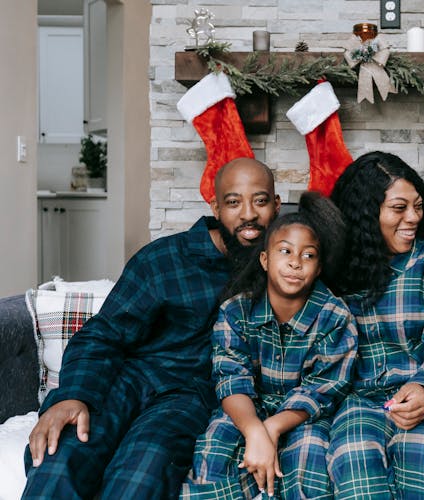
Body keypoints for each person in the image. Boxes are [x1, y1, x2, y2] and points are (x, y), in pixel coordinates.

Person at [23, 157, 281, 499]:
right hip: (129, 379)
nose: (248, 214)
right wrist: (73, 395)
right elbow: (104, 334)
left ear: (276, 206)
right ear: (215, 207)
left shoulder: (283, 267)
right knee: (61, 454)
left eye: (260, 201)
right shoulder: (164, 260)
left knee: (141, 472)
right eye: (234, 202)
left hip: (189, 397)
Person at [326, 151, 424, 499]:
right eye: (399, 208)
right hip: (365, 402)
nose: (413, 217)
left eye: (417, 206)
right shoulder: (337, 270)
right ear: (367, 215)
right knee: (352, 452)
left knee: (419, 448)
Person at [181, 191, 358, 499]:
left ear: (318, 268)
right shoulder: (236, 311)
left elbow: (323, 388)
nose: (295, 263)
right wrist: (254, 431)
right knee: (215, 448)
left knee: (308, 462)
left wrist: (272, 429)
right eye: (285, 252)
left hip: (304, 416)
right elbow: (231, 378)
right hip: (246, 408)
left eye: (308, 255)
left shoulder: (335, 316)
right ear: (265, 259)